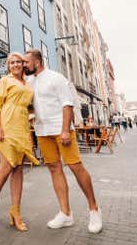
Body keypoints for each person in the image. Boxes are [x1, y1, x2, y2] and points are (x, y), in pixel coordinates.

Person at [23, 49, 102, 234]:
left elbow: (68, 104)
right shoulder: (29, 82)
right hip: (42, 131)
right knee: (53, 168)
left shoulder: (56, 78)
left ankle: (94, 210)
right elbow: (33, 106)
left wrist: (66, 130)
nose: (24, 65)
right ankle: (66, 213)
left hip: (61, 130)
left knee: (75, 167)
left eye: (27, 62)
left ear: (37, 61)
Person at [0, 52, 39, 232]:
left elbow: (29, 105)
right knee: (7, 166)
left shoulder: (27, 83)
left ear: (23, 64)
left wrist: (31, 116)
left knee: (19, 168)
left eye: (18, 62)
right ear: (8, 66)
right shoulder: (4, 81)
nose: (15, 64)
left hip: (22, 126)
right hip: (7, 126)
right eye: (12, 62)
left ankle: (15, 212)